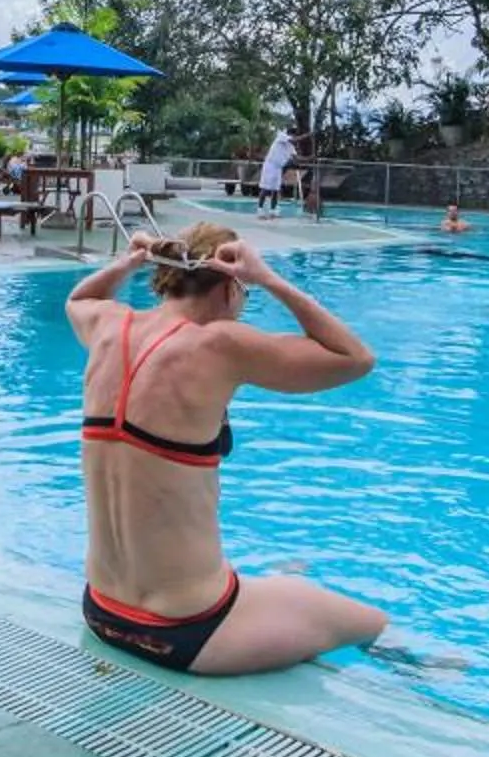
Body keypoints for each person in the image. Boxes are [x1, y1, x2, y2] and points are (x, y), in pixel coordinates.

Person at [66, 223, 388, 675]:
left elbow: (77, 299)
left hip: (102, 612)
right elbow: (355, 359)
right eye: (245, 293)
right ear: (230, 286)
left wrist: (130, 261)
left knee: (281, 581)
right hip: (189, 632)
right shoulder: (221, 344)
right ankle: (424, 670)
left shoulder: (107, 326)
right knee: (373, 624)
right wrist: (270, 279)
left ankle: (280, 595)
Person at [253, 125, 298, 216]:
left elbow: (296, 157)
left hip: (278, 168)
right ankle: (260, 209)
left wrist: (310, 158)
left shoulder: (291, 147)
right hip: (270, 165)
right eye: (294, 135)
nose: (294, 137)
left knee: (276, 189)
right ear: (290, 134)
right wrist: (308, 135)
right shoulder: (281, 136)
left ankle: (273, 210)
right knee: (265, 188)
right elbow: (295, 140)